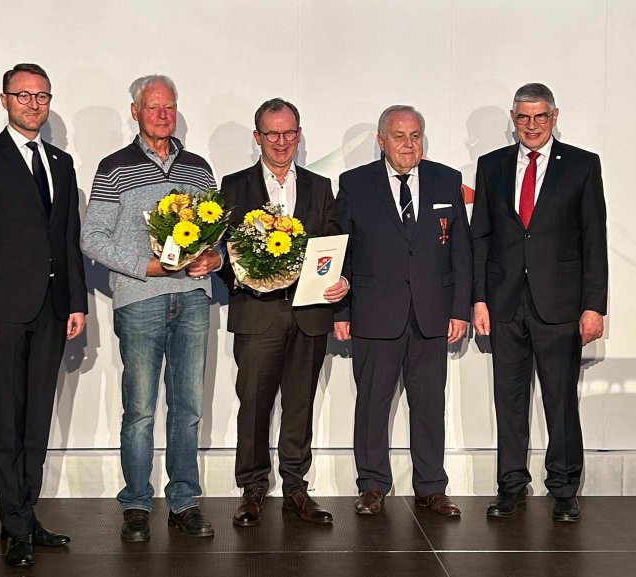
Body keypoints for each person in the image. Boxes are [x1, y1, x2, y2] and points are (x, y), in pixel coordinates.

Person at [0, 63, 87, 567]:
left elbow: (67, 238)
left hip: (52, 312)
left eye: (41, 96)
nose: (33, 104)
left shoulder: (62, 161)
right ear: (5, 100)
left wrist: (76, 301)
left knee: (36, 422)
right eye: (23, 95)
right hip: (2, 314)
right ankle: (13, 526)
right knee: (7, 421)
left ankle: (26, 516)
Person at [80, 75, 219, 540]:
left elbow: (215, 234)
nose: (163, 114)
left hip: (194, 300)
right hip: (140, 300)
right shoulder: (115, 166)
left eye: (170, 106)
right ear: (135, 111)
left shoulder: (199, 168)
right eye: (153, 106)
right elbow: (91, 237)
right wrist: (146, 267)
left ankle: (184, 501)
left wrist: (214, 258)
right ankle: (136, 504)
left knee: (188, 408)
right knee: (139, 410)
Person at [470, 83, 607, 523]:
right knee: (508, 400)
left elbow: (594, 240)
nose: (531, 126)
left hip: (561, 305)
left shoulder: (583, 166)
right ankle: (511, 486)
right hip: (505, 302)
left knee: (561, 400)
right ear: (513, 118)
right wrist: (478, 299)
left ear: (555, 116)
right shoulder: (491, 166)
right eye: (523, 117)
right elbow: (481, 238)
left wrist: (594, 305)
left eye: (540, 117)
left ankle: (564, 488)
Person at [333, 105, 472, 517]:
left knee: (429, 406)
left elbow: (462, 251)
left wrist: (460, 308)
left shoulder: (446, 180)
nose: (408, 144)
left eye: (415, 136)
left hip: (432, 315)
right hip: (374, 315)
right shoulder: (355, 184)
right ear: (381, 141)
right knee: (372, 405)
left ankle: (431, 486)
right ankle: (372, 485)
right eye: (399, 136)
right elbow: (341, 251)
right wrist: (340, 311)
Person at [219, 98, 348, 526]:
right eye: (272, 134)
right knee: (253, 405)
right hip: (257, 315)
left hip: (309, 315)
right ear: (258, 137)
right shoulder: (234, 186)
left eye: (289, 133)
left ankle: (295, 487)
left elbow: (332, 248)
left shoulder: (318, 186)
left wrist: (340, 283)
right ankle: (252, 489)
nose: (281, 142)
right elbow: (221, 252)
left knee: (299, 405)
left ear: (299, 134)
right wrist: (242, 277)